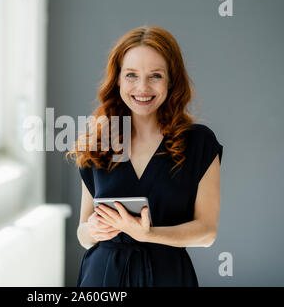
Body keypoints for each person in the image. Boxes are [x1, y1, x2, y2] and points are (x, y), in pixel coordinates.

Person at [66, 25, 224, 287]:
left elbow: (207, 232)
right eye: (131, 75)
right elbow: (83, 233)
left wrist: (148, 234)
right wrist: (93, 230)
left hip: (168, 277)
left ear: (172, 80)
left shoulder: (199, 143)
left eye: (155, 76)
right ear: (117, 79)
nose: (142, 87)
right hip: (102, 278)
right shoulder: (98, 141)